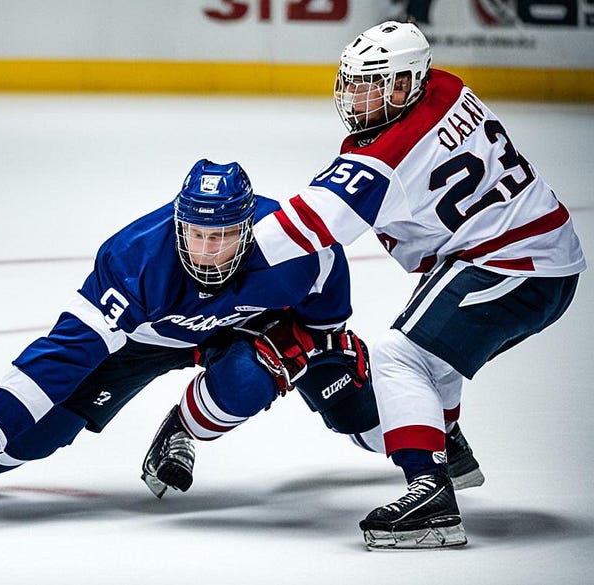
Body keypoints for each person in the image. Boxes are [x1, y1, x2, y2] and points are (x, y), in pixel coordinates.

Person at [150, 21, 584, 549]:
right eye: (353, 83)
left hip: (512, 263)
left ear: (409, 82)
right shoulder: (448, 87)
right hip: (536, 251)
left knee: (400, 358)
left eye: (375, 84)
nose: (358, 97)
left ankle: (430, 496)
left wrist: (215, 261)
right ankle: (444, 443)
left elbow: (305, 226)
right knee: (433, 357)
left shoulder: (384, 158)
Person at [0, 159, 379, 511]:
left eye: (221, 236)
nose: (206, 250)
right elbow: (63, 354)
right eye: (197, 234)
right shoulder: (135, 258)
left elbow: (322, 324)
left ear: (248, 228)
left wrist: (309, 352)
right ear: (178, 224)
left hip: (245, 329)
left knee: (276, 380)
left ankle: (183, 429)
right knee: (41, 434)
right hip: (148, 341)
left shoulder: (300, 246)